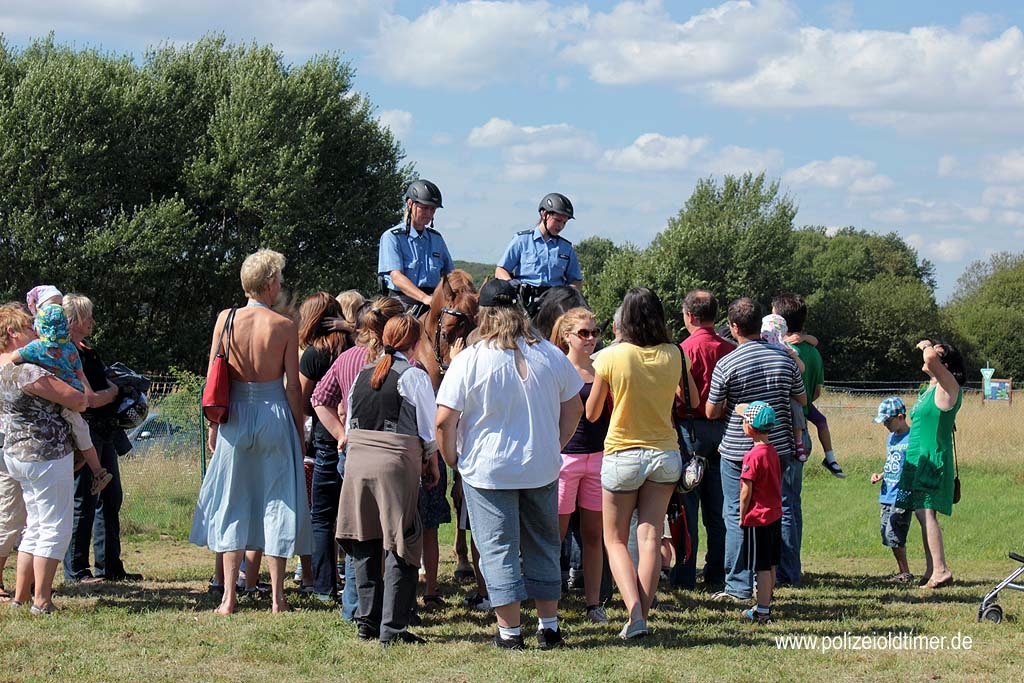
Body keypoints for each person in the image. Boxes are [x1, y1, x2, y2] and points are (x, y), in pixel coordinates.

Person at [436, 279, 583, 651]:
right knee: (544, 545)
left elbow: (443, 420)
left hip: (488, 470)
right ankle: (549, 627)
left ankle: (510, 632)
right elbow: (574, 406)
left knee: (498, 548)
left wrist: (453, 458)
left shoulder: (470, 359)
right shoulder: (549, 353)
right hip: (540, 465)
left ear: (482, 314)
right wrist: (555, 443)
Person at [189, 249, 313, 614]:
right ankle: (277, 598)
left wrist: (214, 425)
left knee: (232, 502)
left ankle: (228, 597)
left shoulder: (225, 320)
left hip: (235, 415)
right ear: (270, 283)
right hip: (274, 411)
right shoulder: (285, 326)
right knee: (278, 502)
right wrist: (297, 426)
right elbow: (293, 386)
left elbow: (215, 376)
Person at [586, 287, 699, 640]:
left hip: (622, 452)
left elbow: (591, 413)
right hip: (665, 454)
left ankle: (634, 615)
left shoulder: (610, 357)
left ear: (624, 319)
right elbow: (692, 399)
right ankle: (641, 617)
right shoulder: (675, 353)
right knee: (649, 535)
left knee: (614, 539)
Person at [336, 314, 439, 646]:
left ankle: (367, 621)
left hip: (357, 462)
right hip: (395, 462)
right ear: (414, 342)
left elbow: (350, 418)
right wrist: (432, 461)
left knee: (364, 539)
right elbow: (427, 428)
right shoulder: (413, 375)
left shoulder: (362, 375)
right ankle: (392, 628)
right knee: (403, 541)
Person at [706, 297, 805, 603]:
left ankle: (738, 585)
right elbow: (801, 398)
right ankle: (775, 576)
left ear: (734, 327)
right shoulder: (784, 360)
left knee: (737, 513)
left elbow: (711, 410)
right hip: (779, 448)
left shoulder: (728, 362)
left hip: (738, 449)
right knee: (776, 511)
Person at [312, 296, 405, 619]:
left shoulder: (348, 358)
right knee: (396, 535)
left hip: (355, 452)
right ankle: (392, 608)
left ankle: (356, 607)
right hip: (393, 453)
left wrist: (341, 434)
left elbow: (319, 398)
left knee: (357, 533)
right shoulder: (404, 363)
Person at [0, 302, 88, 613]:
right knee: (54, 526)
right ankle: (42, 599)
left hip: (17, 454)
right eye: (27, 328)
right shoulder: (30, 372)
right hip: (45, 454)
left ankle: (21, 596)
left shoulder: (7, 368)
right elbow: (78, 401)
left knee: (34, 526)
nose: (32, 332)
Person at [62, 293, 140, 584]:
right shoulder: (68, 354)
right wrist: (112, 393)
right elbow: (90, 398)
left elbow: (106, 384)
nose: (92, 320)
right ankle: (76, 570)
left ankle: (109, 566)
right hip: (86, 433)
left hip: (106, 431)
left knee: (110, 496)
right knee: (84, 497)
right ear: (73, 320)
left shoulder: (88, 349)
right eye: (88, 316)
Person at [12, 302, 112, 495]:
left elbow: (15, 358)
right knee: (82, 432)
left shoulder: (36, 348)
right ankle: (97, 470)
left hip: (49, 398)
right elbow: (80, 374)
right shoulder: (71, 350)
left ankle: (79, 467)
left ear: (39, 327)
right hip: (71, 396)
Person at [550, 306, 610, 623]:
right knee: (555, 535)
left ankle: (593, 602)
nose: (590, 339)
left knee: (592, 535)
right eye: (583, 333)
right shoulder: (557, 369)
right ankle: (549, 601)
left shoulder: (603, 368)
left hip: (597, 458)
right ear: (567, 336)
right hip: (566, 458)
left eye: (594, 333)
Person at [674, 289, 733, 590]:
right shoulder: (729, 348)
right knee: (719, 508)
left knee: (688, 507)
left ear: (690, 316)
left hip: (691, 429)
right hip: (724, 430)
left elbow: (681, 393)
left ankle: (684, 574)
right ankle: (718, 572)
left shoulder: (684, 349)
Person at [895, 340, 965, 590]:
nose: (930, 352)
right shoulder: (931, 388)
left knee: (927, 513)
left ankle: (941, 570)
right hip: (919, 458)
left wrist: (926, 345)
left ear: (944, 365)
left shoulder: (948, 386)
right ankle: (931, 568)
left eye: (938, 351)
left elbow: (929, 360)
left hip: (933, 460)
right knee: (921, 513)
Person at [298, 293, 349, 600]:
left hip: (326, 442)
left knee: (322, 516)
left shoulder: (314, 355)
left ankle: (323, 586)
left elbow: (304, 401)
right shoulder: (356, 347)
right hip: (357, 439)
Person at [495, 192, 583, 315]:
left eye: (564, 222)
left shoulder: (566, 248)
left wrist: (567, 293)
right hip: (524, 302)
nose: (561, 226)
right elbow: (500, 270)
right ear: (544, 214)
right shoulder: (522, 240)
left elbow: (576, 280)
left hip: (555, 303)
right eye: (557, 220)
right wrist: (511, 284)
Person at [736, 401, 783, 624]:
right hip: (774, 515)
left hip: (758, 518)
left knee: (761, 567)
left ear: (750, 427)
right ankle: (765, 602)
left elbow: (746, 490)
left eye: (744, 420)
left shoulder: (752, 456)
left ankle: (762, 610)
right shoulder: (772, 451)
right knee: (772, 563)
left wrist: (742, 515)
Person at [378, 179, 455, 316]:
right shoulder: (392, 237)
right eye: (424, 208)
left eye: (432, 209)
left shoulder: (437, 239)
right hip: (402, 302)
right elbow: (396, 277)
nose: (429, 213)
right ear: (410, 204)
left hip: (434, 301)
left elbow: (451, 275)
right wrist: (424, 298)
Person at [870, 396, 913, 584]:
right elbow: (892, 463)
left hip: (902, 495)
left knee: (894, 533)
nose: (885, 425)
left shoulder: (912, 439)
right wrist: (881, 474)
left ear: (901, 417)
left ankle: (905, 572)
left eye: (888, 421)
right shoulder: (891, 438)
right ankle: (901, 570)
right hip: (887, 493)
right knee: (886, 533)